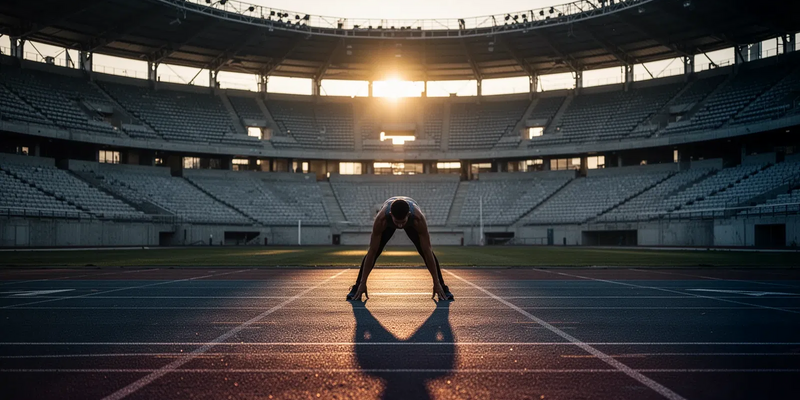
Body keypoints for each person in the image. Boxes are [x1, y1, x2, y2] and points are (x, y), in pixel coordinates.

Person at [347, 196, 454, 301]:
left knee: (425, 251)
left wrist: (436, 283)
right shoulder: (381, 220)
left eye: (403, 222)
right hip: (390, 218)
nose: (400, 226)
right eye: (396, 222)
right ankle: (357, 287)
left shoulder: (418, 219)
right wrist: (363, 283)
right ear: (390, 215)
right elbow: (372, 251)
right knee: (375, 251)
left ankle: (442, 287)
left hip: (411, 219)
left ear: (408, 214)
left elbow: (427, 251)